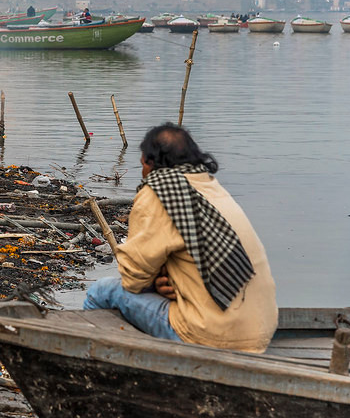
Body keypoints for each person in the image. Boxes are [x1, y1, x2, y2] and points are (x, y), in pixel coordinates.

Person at [84, 124, 278, 353]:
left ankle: (97, 362)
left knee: (102, 292)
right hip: (261, 333)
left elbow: (132, 278)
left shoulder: (159, 192)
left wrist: (153, 282)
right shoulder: (211, 187)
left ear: (148, 162)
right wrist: (159, 283)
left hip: (209, 336)